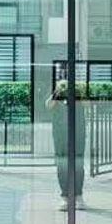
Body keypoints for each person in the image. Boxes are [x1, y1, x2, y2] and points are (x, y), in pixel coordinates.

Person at [46, 78, 86, 210]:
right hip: (60, 136)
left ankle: (78, 196)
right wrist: (56, 94)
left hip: (77, 135)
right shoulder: (56, 96)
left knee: (78, 165)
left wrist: (79, 93)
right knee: (62, 165)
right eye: (63, 86)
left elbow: (88, 104)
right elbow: (48, 105)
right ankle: (65, 197)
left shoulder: (78, 95)